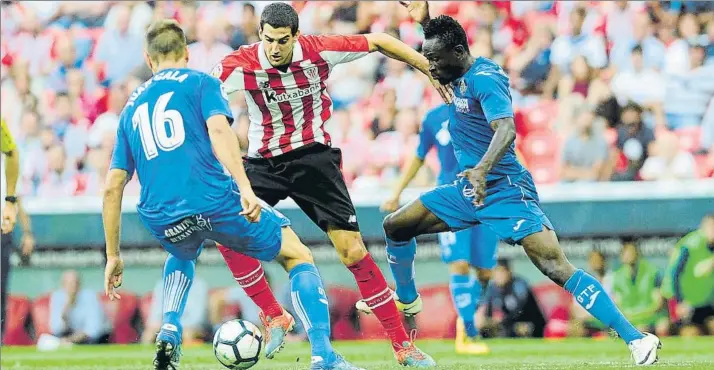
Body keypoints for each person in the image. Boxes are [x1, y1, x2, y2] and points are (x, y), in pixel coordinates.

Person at [380, 1, 661, 366]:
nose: (429, 66)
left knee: (555, 267)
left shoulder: (486, 78)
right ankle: (406, 297)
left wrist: (482, 169)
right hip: (467, 190)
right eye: (427, 58)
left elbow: (507, 129)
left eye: (434, 59)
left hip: (506, 189)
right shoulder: (453, 69)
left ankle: (637, 339)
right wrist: (426, 23)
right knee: (396, 225)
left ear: (459, 53)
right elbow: (442, 43)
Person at [102, 20, 362, 370]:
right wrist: (245, 187)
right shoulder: (201, 82)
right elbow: (220, 130)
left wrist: (113, 255)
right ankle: (323, 356)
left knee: (182, 251)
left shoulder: (129, 110)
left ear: (149, 60)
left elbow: (112, 186)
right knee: (297, 255)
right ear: (187, 53)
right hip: (211, 199)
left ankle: (169, 326)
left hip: (159, 214)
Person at [213, 3, 448, 367]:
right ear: (260, 34)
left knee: (353, 251)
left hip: (314, 160)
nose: (274, 48)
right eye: (268, 39)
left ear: (295, 36)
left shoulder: (319, 49)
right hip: (264, 163)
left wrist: (424, 68)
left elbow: (379, 40)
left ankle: (404, 347)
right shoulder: (240, 63)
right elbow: (200, 93)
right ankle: (275, 314)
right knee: (226, 229)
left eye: (282, 40)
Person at [375, 103, 497, 354]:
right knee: (459, 264)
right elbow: (419, 155)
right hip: (451, 199)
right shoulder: (433, 117)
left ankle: (468, 320)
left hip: (485, 197)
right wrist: (396, 192)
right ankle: (469, 332)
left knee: (485, 273)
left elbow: (506, 146)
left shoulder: (484, 109)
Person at [661, 214, 714, 336]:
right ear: (703, 228)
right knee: (690, 333)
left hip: (706, 301)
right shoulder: (689, 245)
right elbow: (674, 274)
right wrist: (680, 301)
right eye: (710, 227)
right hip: (685, 300)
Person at [612, 241, 670, 337]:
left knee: (663, 326)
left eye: (631, 253)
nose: (628, 256)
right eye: (625, 253)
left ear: (638, 254)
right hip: (630, 318)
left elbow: (658, 303)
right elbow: (618, 304)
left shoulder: (652, 272)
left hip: (652, 316)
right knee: (638, 328)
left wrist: (643, 314)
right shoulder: (617, 277)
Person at [477, 259, 546, 338]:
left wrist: (500, 320)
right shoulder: (492, 288)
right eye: (496, 272)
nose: (499, 276)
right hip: (507, 324)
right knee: (485, 328)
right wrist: (484, 319)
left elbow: (520, 309)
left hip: (529, 323)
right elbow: (485, 306)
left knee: (517, 329)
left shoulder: (519, 285)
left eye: (502, 272)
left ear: (509, 272)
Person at [49, 270, 107, 344]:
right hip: (68, 337)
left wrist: (71, 340)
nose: (72, 287)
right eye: (68, 284)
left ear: (79, 284)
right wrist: (66, 307)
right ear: (62, 285)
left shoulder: (90, 297)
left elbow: (93, 330)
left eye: (75, 283)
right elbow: (55, 329)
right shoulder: (57, 297)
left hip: (89, 339)